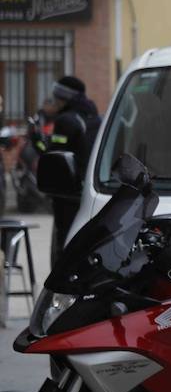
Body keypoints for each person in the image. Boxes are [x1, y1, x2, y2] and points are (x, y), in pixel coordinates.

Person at [38, 76, 102, 268]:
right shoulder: (95, 117)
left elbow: (53, 155)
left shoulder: (65, 120)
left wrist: (37, 141)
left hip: (68, 196)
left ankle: (60, 294)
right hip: (92, 189)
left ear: (62, 98)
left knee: (65, 247)